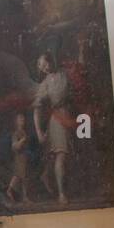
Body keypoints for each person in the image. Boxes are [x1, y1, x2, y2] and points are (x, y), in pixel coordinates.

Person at [32, 52, 74, 205]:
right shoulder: (45, 84)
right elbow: (36, 109)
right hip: (57, 119)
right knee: (61, 154)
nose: (44, 69)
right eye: (41, 67)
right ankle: (62, 194)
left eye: (45, 64)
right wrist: (38, 132)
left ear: (51, 60)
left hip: (69, 116)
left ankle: (45, 175)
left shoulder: (65, 74)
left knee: (62, 154)